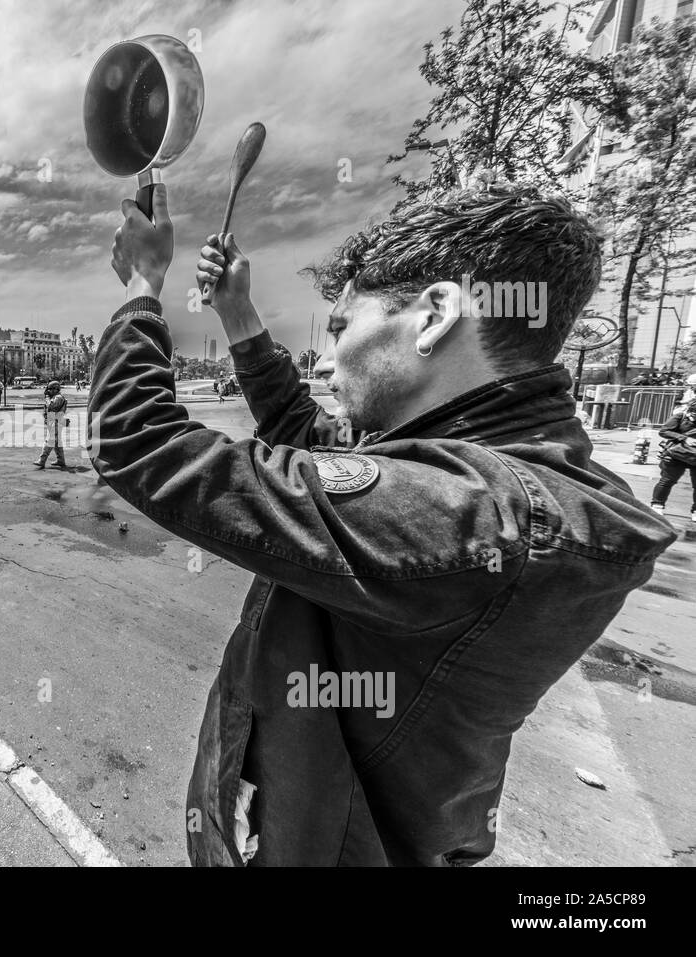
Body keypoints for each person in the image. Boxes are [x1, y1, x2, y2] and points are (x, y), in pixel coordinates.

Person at [95, 181, 675, 866]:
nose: (324, 357)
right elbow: (308, 438)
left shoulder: (465, 510)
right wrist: (239, 314)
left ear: (433, 316)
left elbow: (138, 441)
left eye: (341, 328)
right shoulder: (485, 466)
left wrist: (141, 284)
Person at [651, 402, 696, 524]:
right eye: (693, 415)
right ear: (689, 411)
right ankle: (657, 505)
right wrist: (684, 438)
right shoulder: (679, 417)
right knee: (667, 480)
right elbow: (664, 431)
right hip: (677, 455)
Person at [34, 380, 68, 470]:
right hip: (54, 421)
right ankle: (61, 460)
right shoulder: (55, 397)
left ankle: (42, 460)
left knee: (49, 441)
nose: (49, 391)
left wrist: (47, 398)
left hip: (56, 422)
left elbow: (51, 406)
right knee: (57, 443)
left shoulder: (58, 397)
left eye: (50, 389)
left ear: (56, 389)